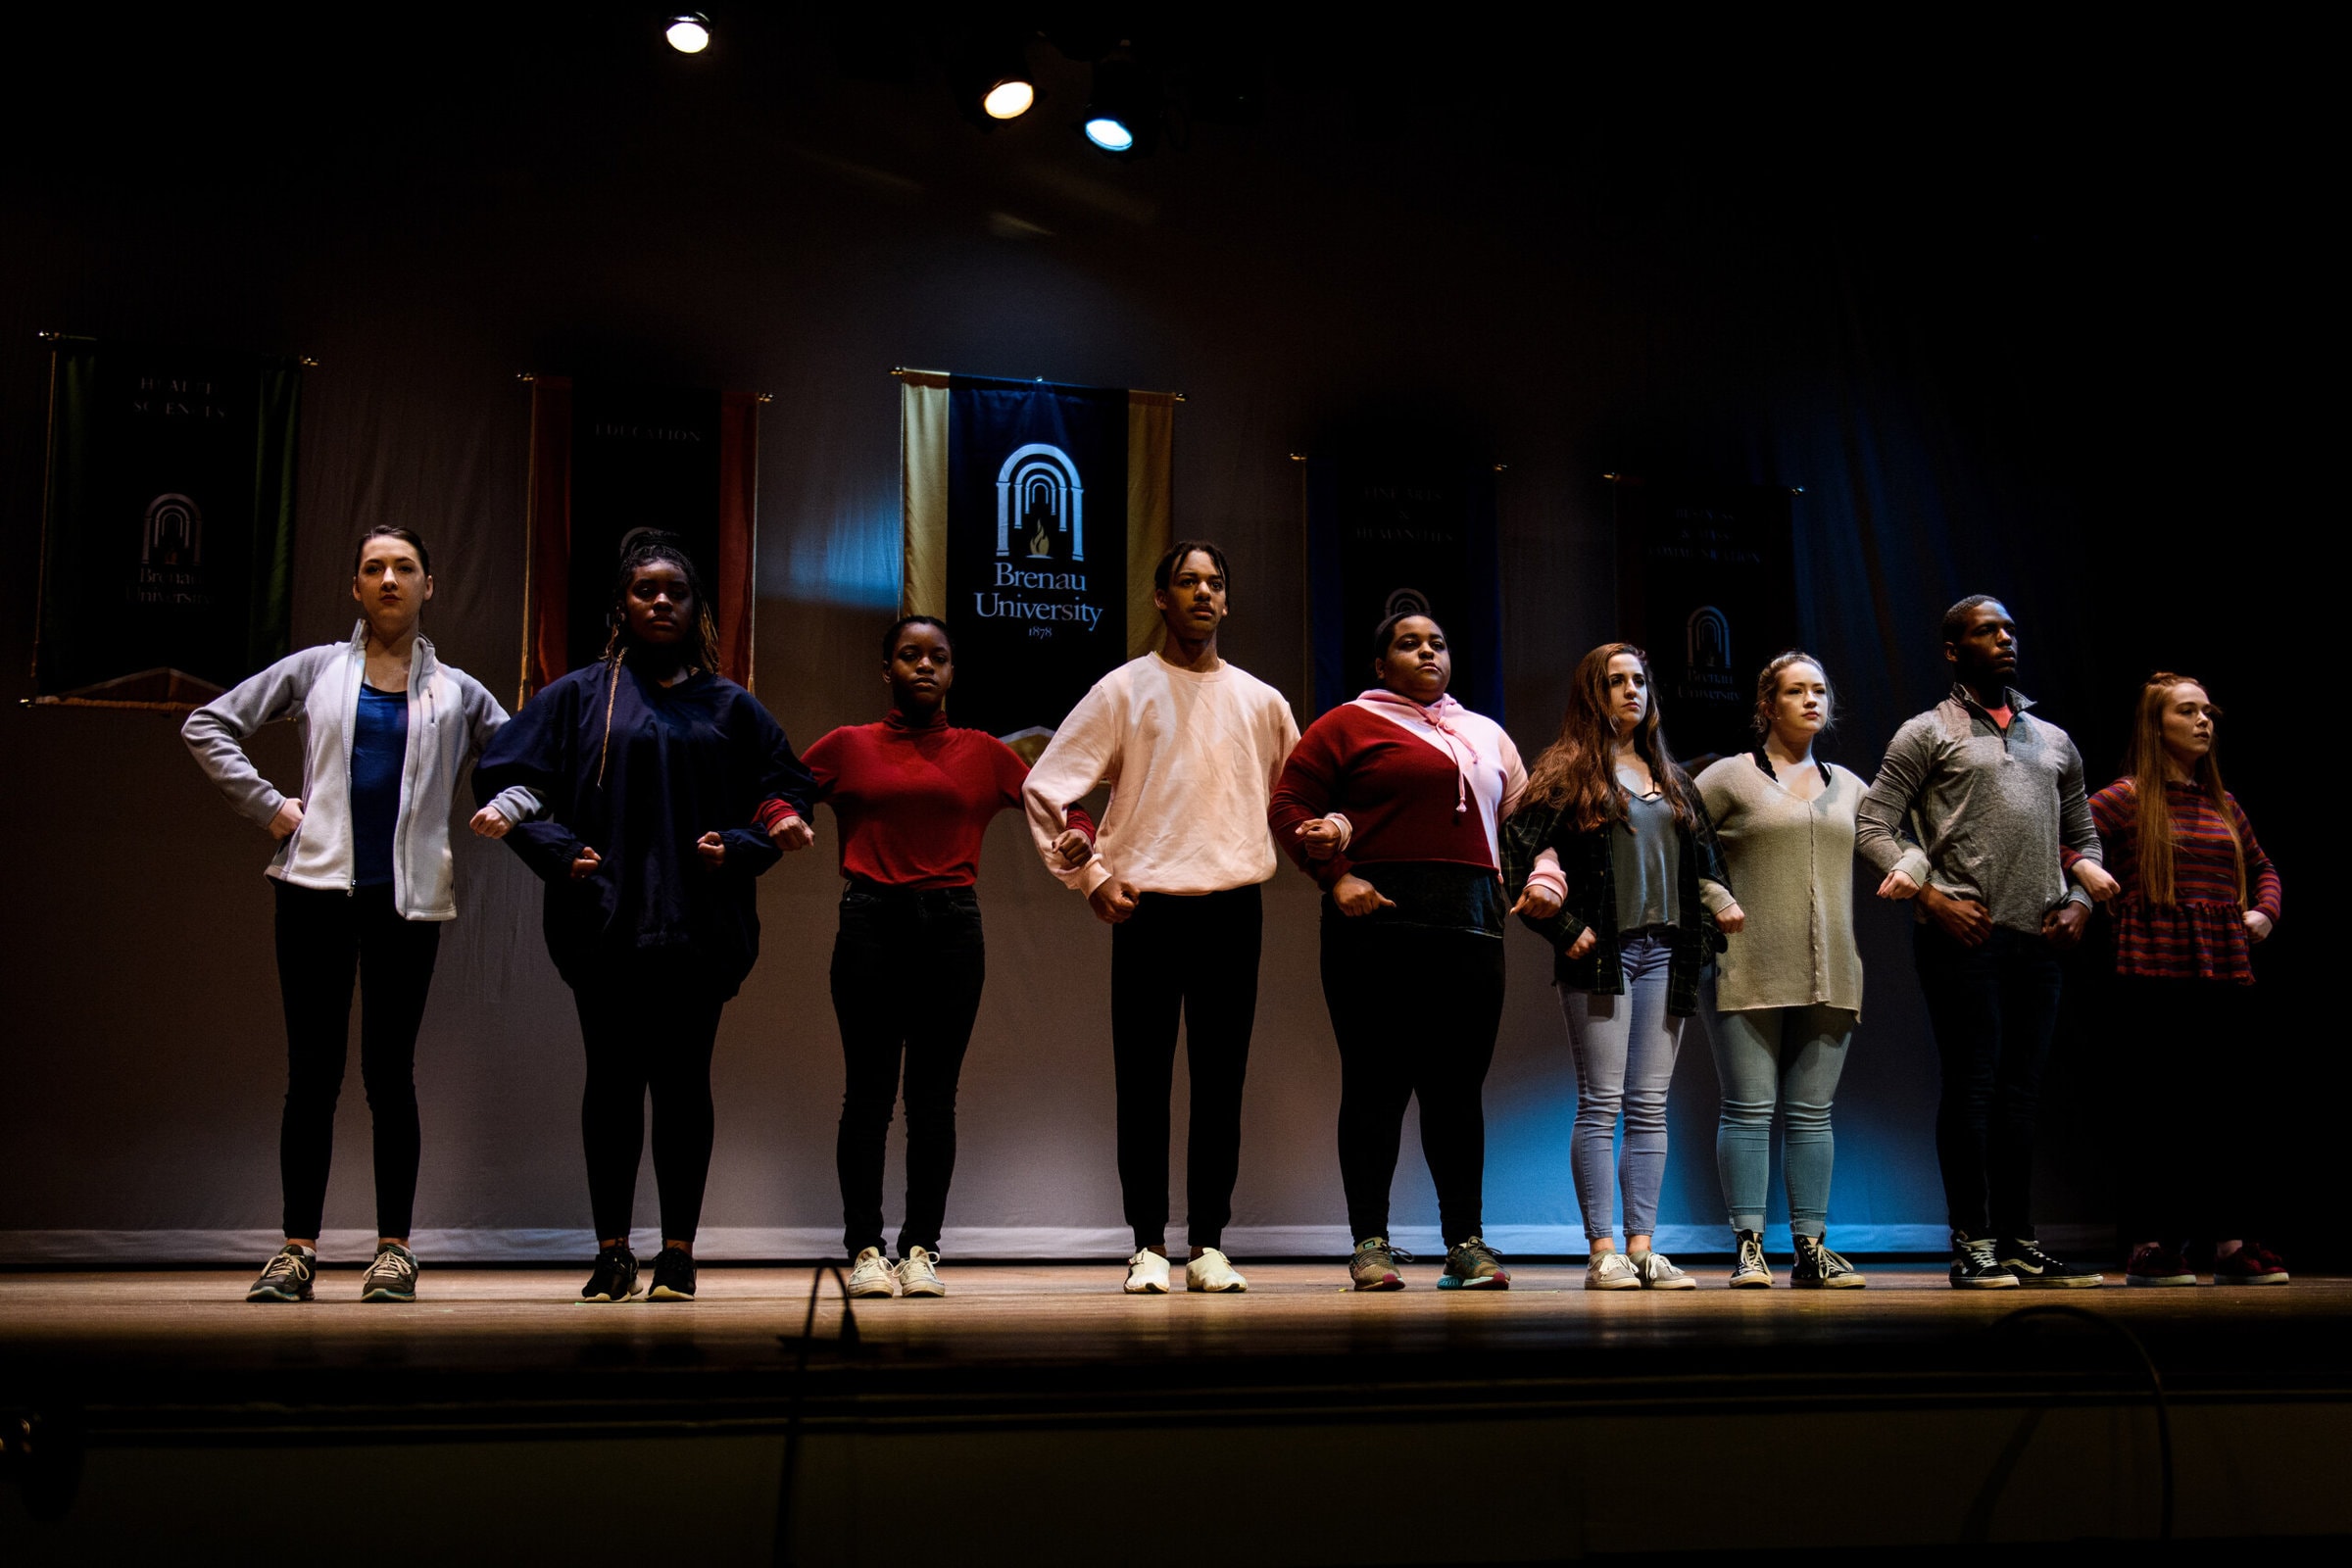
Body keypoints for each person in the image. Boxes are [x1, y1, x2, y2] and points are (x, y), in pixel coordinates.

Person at [183, 527, 535, 1304]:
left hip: (405, 905)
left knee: (389, 1077)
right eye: (373, 568)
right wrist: (270, 805)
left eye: (403, 568)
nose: (388, 580)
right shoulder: (318, 670)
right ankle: (296, 1250)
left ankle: (393, 1251)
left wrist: (507, 804)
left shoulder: (459, 692)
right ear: (354, 587)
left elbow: (532, 762)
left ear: (428, 586)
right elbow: (207, 724)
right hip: (313, 894)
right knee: (311, 1077)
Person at [474, 531, 813, 1303]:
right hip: (606, 923)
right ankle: (612, 1251)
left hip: (697, 926)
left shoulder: (731, 706)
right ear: (620, 608)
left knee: (685, 1084)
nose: (661, 600)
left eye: (677, 591)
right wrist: (557, 849)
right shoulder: (578, 697)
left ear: (697, 611)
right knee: (613, 1084)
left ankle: (680, 1252)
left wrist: (748, 843)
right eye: (644, 590)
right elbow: (502, 776)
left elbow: (786, 788)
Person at [1021, 541, 1300, 1295]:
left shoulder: (1262, 701)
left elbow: (1295, 799)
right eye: (1187, 582)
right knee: (1143, 1082)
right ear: (1161, 599)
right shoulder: (1125, 689)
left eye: (1215, 582)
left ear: (1227, 601)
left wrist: (1335, 840)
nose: (1203, 593)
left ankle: (1208, 1243)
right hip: (1145, 909)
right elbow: (1048, 786)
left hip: (1233, 909)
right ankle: (1147, 1244)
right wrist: (1089, 878)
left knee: (1221, 1081)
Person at [795, 615, 1096, 1300]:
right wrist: (776, 817)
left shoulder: (983, 752)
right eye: (909, 656)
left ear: (953, 673)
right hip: (870, 924)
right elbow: (779, 788)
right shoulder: (848, 746)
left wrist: (1080, 833)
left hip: (951, 930)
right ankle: (866, 1250)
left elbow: (1059, 802)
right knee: (868, 1097)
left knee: (933, 1101)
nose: (923, 667)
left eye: (937, 658)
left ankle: (921, 1249)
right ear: (886, 671)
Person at [1269, 612, 1536, 1291]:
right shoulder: (1346, 724)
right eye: (1408, 643)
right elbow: (1288, 805)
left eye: (1438, 643)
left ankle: (1466, 1244)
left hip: (1472, 929)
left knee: (1456, 1094)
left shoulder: (1485, 735)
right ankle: (1371, 1244)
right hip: (1377, 931)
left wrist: (1547, 878)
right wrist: (1335, 877)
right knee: (1376, 1088)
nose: (1427, 652)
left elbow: (1528, 827)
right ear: (1380, 665)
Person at [1856, 595, 2116, 1289]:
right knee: (1972, 1090)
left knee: (2021, 1096)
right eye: (1986, 630)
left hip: (2039, 940)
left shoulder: (2053, 740)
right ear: (1952, 649)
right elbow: (1874, 826)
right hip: (1963, 939)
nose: (2005, 639)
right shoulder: (1926, 733)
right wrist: (1935, 900)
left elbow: (2084, 839)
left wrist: (2083, 903)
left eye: (2010, 628)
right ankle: (1972, 1241)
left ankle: (2019, 1240)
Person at [1501, 643, 1743, 1291]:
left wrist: (1719, 903)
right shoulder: (1567, 772)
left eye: (1640, 679)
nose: (1631, 691)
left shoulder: (1672, 776)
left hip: (1669, 951)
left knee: (1649, 1105)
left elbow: (1708, 863)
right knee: (1602, 1103)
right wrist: (1562, 926)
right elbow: (1516, 850)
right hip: (1605, 953)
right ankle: (1601, 1250)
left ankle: (1642, 1247)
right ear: (1593, 694)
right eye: (1616, 682)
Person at [2085, 674, 2284, 1286]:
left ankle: (2228, 1245)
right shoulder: (2122, 800)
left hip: (2221, 968)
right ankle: (2154, 1245)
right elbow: (2066, 840)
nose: (2205, 722)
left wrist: (2264, 912)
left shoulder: (2223, 804)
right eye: (2188, 711)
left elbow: (2263, 866)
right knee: (2157, 1110)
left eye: (2208, 712)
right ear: (2156, 725)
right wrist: (2085, 870)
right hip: (2153, 967)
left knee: (2224, 1110)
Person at [1694, 653, 1868, 1289]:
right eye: (1796, 691)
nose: (1811, 700)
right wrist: (1716, 900)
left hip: (1832, 972)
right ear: (1767, 705)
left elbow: (1892, 841)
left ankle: (1811, 1248)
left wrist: (1916, 871)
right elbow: (1681, 847)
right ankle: (1748, 1247)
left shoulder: (1849, 785)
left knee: (1812, 1114)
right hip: (1748, 967)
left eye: (1819, 690)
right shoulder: (1729, 779)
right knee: (1748, 1109)